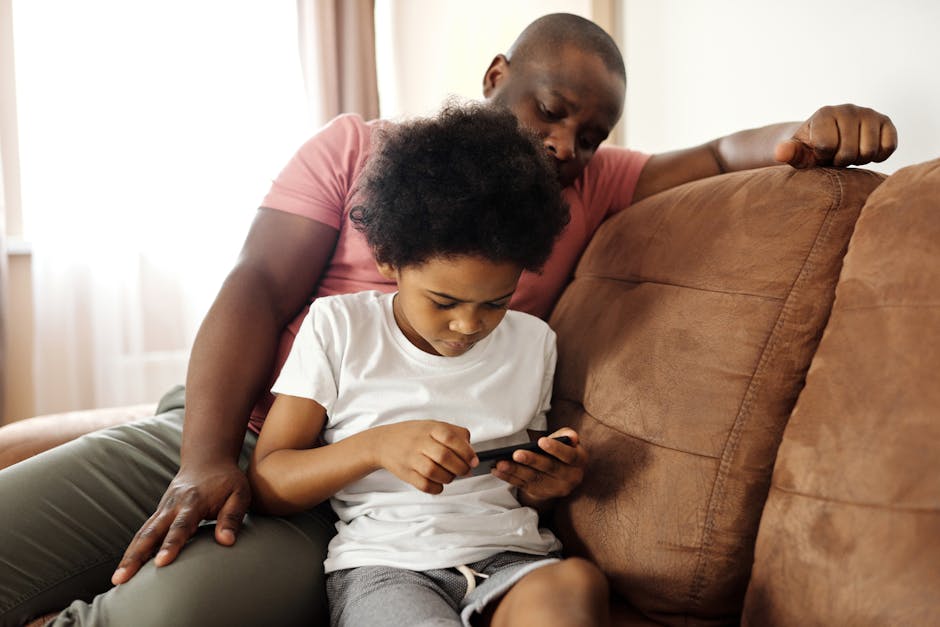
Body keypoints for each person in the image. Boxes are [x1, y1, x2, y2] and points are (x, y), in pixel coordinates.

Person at [0, 12, 896, 627]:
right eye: (550, 112)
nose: (563, 146)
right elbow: (255, 288)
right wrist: (200, 458)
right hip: (233, 417)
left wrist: (807, 129)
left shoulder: (586, 187)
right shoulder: (356, 147)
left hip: (366, 504)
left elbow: (715, 154)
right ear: (497, 77)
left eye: (590, 133)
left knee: (163, 611)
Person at [250, 101, 607, 627]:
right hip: (389, 566)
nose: (468, 325)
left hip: (514, 557)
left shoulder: (534, 342)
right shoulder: (338, 327)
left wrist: (548, 482)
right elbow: (269, 481)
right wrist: (374, 446)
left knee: (577, 583)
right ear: (388, 260)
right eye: (443, 302)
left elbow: (520, 483)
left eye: (496, 302)